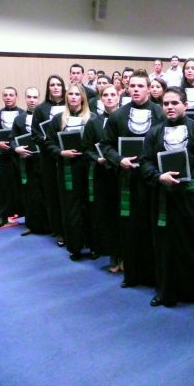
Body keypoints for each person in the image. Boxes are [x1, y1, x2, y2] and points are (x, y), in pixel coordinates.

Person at [140, 87, 194, 309]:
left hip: (192, 198)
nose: (170, 107)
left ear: (186, 105)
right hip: (164, 197)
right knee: (165, 246)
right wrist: (158, 176)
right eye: (166, 104)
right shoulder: (154, 132)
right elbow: (145, 162)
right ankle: (165, 290)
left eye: (174, 103)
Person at [100, 70, 165, 290]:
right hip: (127, 180)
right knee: (130, 227)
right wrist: (119, 160)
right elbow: (105, 145)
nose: (136, 90)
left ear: (148, 88)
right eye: (133, 86)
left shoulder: (160, 113)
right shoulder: (118, 115)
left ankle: (155, 276)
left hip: (154, 180)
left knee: (152, 227)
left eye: (140, 86)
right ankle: (132, 274)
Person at [44, 84, 96, 261]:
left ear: (83, 97)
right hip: (67, 168)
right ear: (66, 97)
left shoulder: (92, 118)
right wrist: (60, 152)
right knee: (71, 208)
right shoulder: (58, 119)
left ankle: (93, 246)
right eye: (70, 94)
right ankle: (75, 247)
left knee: (90, 208)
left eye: (77, 94)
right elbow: (49, 143)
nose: (73, 97)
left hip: (88, 169)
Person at [82, 84, 121, 273]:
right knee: (108, 217)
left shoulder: (125, 119)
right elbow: (86, 148)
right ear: (101, 99)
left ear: (118, 97)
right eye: (106, 95)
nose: (109, 98)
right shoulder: (93, 122)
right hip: (102, 175)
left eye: (113, 94)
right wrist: (97, 159)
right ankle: (114, 257)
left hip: (123, 174)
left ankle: (127, 257)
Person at [31, 75, 67, 246]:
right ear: (48, 88)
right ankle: (59, 231)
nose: (56, 87)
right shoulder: (41, 109)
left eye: (59, 84)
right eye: (52, 85)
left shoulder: (71, 105)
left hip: (69, 157)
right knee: (53, 195)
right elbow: (35, 134)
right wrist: (49, 142)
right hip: (49, 158)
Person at [11, 87, 49, 235]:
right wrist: (16, 148)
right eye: (29, 97)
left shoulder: (45, 117)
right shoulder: (19, 119)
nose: (32, 100)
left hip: (44, 160)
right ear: (25, 98)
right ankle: (32, 225)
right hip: (27, 161)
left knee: (46, 193)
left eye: (35, 97)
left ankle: (51, 226)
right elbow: (12, 139)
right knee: (30, 194)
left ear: (39, 98)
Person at [0, 86, 25, 228]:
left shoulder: (23, 115)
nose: (8, 97)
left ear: (16, 97)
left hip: (20, 157)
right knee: (3, 188)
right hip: (3, 157)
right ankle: (2, 216)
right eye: (5, 95)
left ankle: (26, 214)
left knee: (23, 186)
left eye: (11, 95)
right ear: (2, 97)